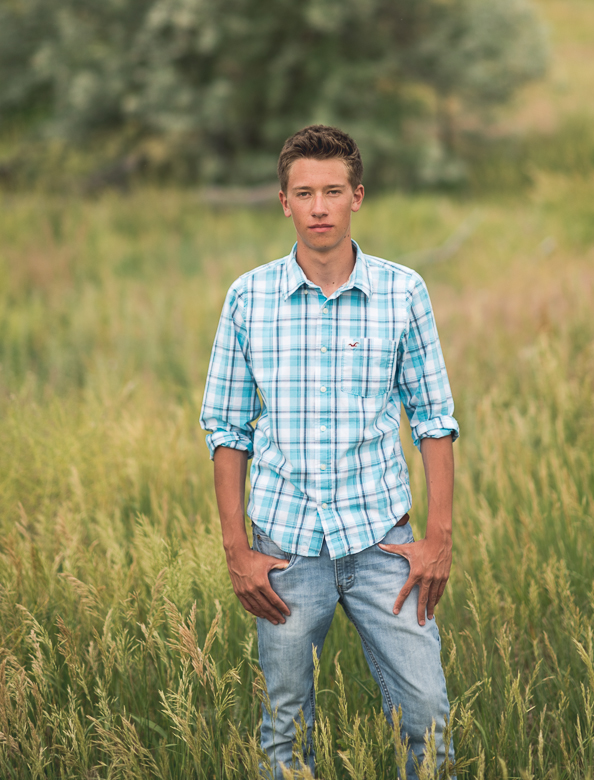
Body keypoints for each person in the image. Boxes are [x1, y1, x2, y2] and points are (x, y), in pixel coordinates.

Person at [200, 125, 459, 779]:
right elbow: (227, 429)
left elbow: (433, 418)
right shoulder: (248, 298)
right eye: (305, 192)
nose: (320, 207)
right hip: (286, 551)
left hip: (384, 544)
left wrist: (437, 539)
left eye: (333, 191)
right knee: (284, 732)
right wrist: (238, 551)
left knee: (428, 716)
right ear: (284, 201)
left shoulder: (402, 292)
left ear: (357, 197)